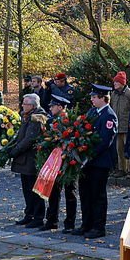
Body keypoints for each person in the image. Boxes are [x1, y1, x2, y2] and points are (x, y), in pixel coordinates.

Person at [73, 84, 118, 239]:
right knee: (85, 193)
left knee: (97, 194)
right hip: (87, 161)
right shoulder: (92, 111)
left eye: (94, 97)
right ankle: (86, 224)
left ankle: (98, 227)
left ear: (103, 98)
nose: (91, 99)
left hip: (99, 162)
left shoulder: (109, 116)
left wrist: (88, 154)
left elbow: (105, 141)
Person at [9, 93, 48, 227]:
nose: (22, 105)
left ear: (32, 105)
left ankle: (38, 217)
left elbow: (29, 139)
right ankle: (29, 214)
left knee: (35, 190)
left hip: (32, 159)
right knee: (27, 189)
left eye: (25, 103)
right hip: (24, 159)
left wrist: (15, 150)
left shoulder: (37, 117)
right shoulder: (27, 115)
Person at [43, 95, 77, 232]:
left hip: (68, 161)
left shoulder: (70, 122)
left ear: (61, 107)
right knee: (53, 191)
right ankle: (52, 220)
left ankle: (70, 223)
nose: (50, 108)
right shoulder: (50, 120)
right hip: (54, 160)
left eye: (53, 106)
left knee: (70, 192)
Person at [110, 71, 130, 175]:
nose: (114, 84)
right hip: (117, 126)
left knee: (128, 149)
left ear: (122, 83)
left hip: (127, 125)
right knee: (119, 149)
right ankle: (121, 169)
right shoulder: (113, 94)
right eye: (114, 82)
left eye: (116, 82)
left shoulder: (129, 93)